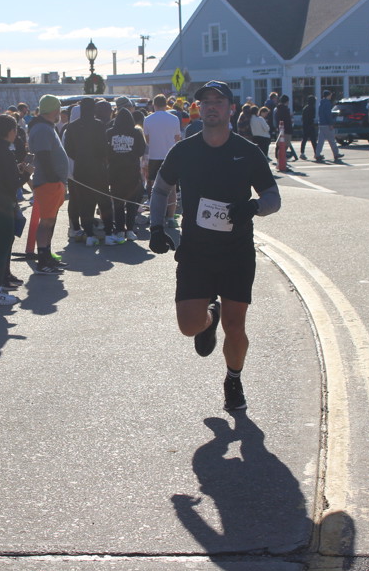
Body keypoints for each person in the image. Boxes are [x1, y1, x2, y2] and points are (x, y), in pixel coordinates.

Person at [147, 81, 281, 413]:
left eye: (218, 101)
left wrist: (253, 207)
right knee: (188, 326)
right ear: (199, 109)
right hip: (196, 252)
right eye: (205, 102)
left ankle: (233, 380)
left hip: (236, 252)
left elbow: (273, 197)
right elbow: (160, 189)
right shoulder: (184, 151)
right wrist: (156, 227)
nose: (211, 106)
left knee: (235, 327)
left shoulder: (247, 152)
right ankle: (210, 316)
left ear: (230, 109)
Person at [0, 115, 33, 305]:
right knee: (2, 249)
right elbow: (12, 185)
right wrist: (26, 174)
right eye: (15, 129)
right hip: (1, 206)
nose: (17, 133)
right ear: (10, 131)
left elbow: (2, 177)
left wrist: (17, 169)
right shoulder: (6, 152)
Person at [64, 98, 119, 246]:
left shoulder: (72, 126)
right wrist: (101, 159)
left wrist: (79, 157)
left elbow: (68, 148)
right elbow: (103, 147)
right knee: (104, 202)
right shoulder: (98, 124)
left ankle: (89, 235)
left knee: (85, 203)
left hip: (80, 169)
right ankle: (108, 234)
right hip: (98, 168)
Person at [29, 95, 69, 275]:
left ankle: (47, 256)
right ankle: (43, 261)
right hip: (48, 183)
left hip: (52, 182)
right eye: (58, 108)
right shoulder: (43, 129)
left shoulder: (45, 127)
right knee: (45, 222)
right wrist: (54, 179)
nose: (60, 112)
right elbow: (43, 155)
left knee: (49, 221)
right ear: (53, 109)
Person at [107, 107, 146, 241]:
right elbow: (141, 150)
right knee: (131, 203)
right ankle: (129, 229)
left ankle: (119, 230)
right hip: (132, 172)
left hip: (115, 172)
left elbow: (105, 150)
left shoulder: (110, 132)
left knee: (117, 203)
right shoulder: (136, 132)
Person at [143, 94, 182, 227]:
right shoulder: (174, 119)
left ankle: (154, 215)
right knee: (172, 188)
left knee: (153, 187)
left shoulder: (147, 119)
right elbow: (177, 139)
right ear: (166, 105)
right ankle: (170, 217)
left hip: (154, 156)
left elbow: (147, 140)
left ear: (154, 105)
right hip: (170, 156)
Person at [315, 89, 343, 163]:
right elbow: (328, 114)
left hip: (321, 124)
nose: (331, 96)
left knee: (320, 141)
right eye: (330, 95)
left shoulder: (321, 103)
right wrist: (331, 123)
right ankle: (336, 154)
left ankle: (317, 154)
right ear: (328, 95)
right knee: (332, 140)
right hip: (327, 124)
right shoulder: (327, 103)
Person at [274, 94, 293, 173]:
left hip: (280, 130)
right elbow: (287, 121)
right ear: (287, 101)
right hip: (286, 130)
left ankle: (279, 162)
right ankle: (282, 163)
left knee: (280, 147)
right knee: (284, 147)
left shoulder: (277, 109)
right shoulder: (285, 109)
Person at [300, 95, 317, 160]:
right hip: (311, 125)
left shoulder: (305, 108)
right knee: (313, 140)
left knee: (304, 140)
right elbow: (313, 117)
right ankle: (316, 153)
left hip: (305, 125)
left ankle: (302, 153)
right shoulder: (312, 108)